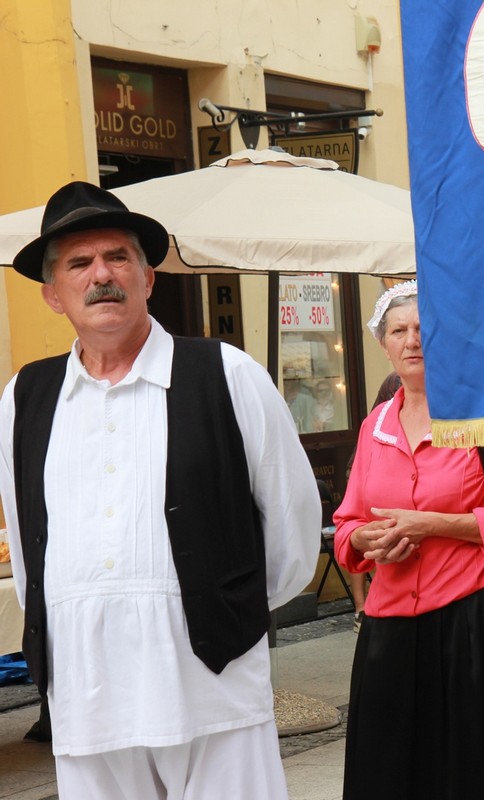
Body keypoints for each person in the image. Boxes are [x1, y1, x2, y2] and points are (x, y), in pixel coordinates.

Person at [0, 182, 320, 798]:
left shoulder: (226, 374)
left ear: (148, 278)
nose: (102, 275)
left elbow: (293, 527)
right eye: (79, 263)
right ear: (53, 295)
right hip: (88, 691)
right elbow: (27, 538)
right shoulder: (25, 397)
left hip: (211, 681)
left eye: (118, 257)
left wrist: (223, 609)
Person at [334, 281, 484, 799]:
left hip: (473, 628)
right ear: (384, 345)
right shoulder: (374, 427)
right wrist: (365, 537)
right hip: (390, 632)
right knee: (394, 776)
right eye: (399, 331)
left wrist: (432, 524)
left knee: (477, 776)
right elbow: (346, 526)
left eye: (424, 328)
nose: (412, 340)